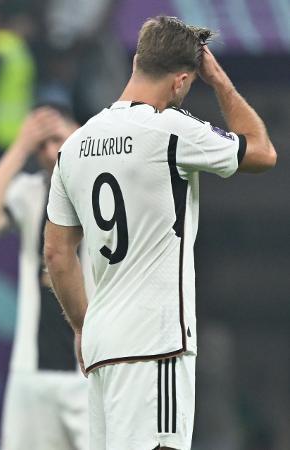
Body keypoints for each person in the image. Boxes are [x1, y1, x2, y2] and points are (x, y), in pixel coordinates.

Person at [44, 16, 276, 450]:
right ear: (182, 81)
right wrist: (222, 83)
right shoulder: (171, 131)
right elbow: (262, 151)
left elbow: (57, 254)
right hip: (156, 344)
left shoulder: (74, 144)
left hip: (102, 347)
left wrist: (82, 326)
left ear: (135, 61)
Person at [0, 105, 92, 450]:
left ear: (81, 134)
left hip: (92, 370)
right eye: (42, 144)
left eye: (58, 139)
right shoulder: (31, 190)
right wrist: (20, 146)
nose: (51, 151)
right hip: (32, 372)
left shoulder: (103, 190)